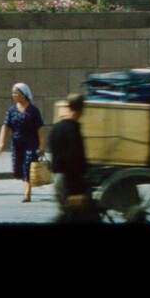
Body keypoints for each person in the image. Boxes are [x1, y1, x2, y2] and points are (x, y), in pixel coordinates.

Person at [0, 83, 45, 203]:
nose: (14, 95)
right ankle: (26, 184)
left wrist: (41, 145)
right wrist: (1, 142)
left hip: (31, 142)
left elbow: (39, 129)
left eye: (16, 93)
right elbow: (5, 126)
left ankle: (27, 192)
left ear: (24, 95)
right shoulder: (11, 110)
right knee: (17, 169)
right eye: (13, 93)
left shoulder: (33, 110)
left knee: (27, 166)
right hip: (16, 143)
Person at [49, 93, 92, 221]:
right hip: (68, 181)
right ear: (81, 110)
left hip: (58, 179)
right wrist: (76, 191)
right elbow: (73, 162)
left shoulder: (56, 128)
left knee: (67, 215)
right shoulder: (73, 130)